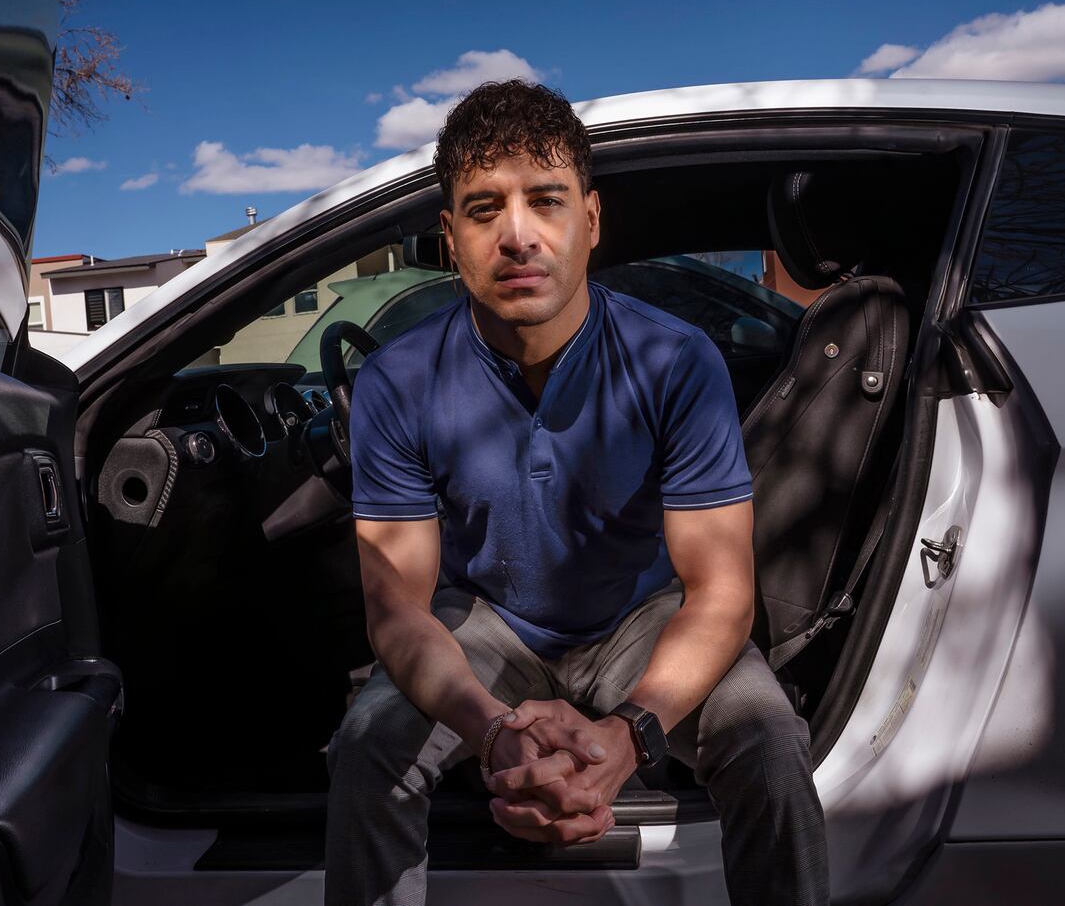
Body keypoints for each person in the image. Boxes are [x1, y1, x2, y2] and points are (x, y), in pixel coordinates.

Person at [325, 80, 829, 906]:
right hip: (488, 623)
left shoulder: (676, 360)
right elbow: (399, 611)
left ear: (590, 221)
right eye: (485, 210)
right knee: (368, 744)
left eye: (546, 201)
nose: (518, 235)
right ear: (450, 237)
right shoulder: (398, 381)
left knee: (771, 741)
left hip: (639, 620)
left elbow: (722, 594)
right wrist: (491, 733)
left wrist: (628, 735)